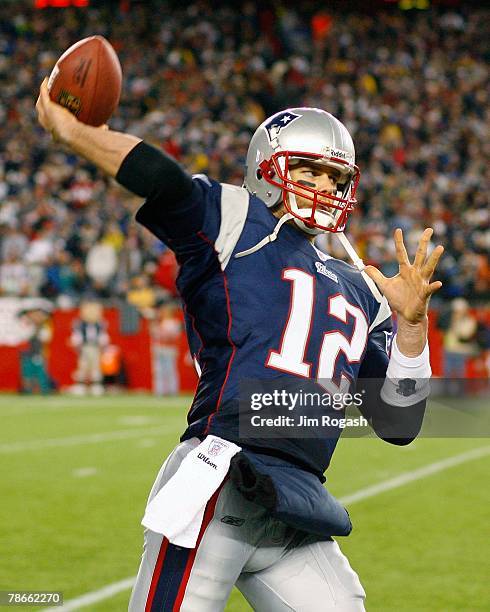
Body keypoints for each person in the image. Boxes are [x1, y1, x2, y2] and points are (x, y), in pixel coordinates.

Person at [36, 81, 444, 611]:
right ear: (268, 167)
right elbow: (165, 184)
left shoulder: (362, 288)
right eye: (308, 169)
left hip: (294, 504)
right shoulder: (238, 224)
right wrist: (77, 133)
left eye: (334, 175)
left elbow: (398, 424)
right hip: (221, 479)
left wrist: (412, 329)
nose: (323, 184)